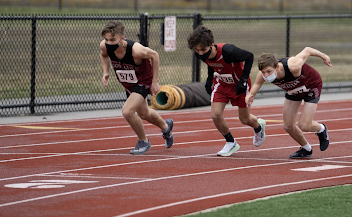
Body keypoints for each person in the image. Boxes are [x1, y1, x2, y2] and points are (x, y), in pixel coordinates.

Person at [187, 26, 265, 156]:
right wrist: (209, 79)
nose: (200, 53)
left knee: (244, 119)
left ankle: (258, 127)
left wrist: (243, 80)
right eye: (197, 50)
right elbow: (211, 64)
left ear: (211, 45)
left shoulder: (227, 51)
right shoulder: (199, 53)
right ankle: (230, 142)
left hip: (239, 84)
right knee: (215, 115)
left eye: (203, 50)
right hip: (221, 84)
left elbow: (249, 57)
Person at [99, 20, 174, 155]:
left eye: (112, 40)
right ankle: (166, 126)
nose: (109, 43)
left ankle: (143, 141)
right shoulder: (104, 46)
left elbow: (155, 55)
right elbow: (104, 55)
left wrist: (154, 82)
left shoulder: (136, 50)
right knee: (144, 114)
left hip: (143, 81)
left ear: (122, 38)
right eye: (106, 39)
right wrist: (106, 72)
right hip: (128, 84)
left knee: (127, 112)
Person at [246, 47, 331, 159]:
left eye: (269, 72)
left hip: (311, 86)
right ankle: (306, 149)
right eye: (263, 72)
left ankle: (321, 129)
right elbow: (256, 85)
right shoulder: (262, 76)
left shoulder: (293, 66)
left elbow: (307, 50)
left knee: (304, 125)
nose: (266, 75)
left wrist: (324, 56)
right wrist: (250, 96)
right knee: (288, 126)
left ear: (277, 66)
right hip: (294, 90)